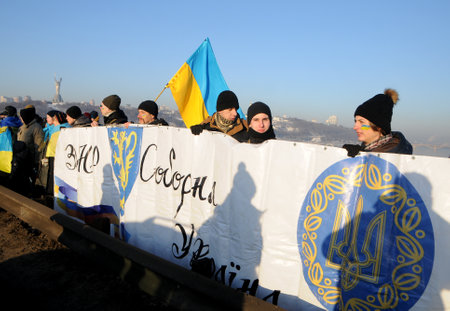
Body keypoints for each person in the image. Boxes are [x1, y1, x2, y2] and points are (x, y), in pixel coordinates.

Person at [343, 88, 413, 156]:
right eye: (356, 121)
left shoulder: (397, 158)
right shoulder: (369, 150)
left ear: (379, 126)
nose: (355, 127)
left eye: (361, 122)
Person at [14, 106, 45, 196]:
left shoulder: (36, 128)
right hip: (20, 159)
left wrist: (36, 161)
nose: (20, 118)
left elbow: (39, 146)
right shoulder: (22, 127)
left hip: (29, 159)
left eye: (22, 117)